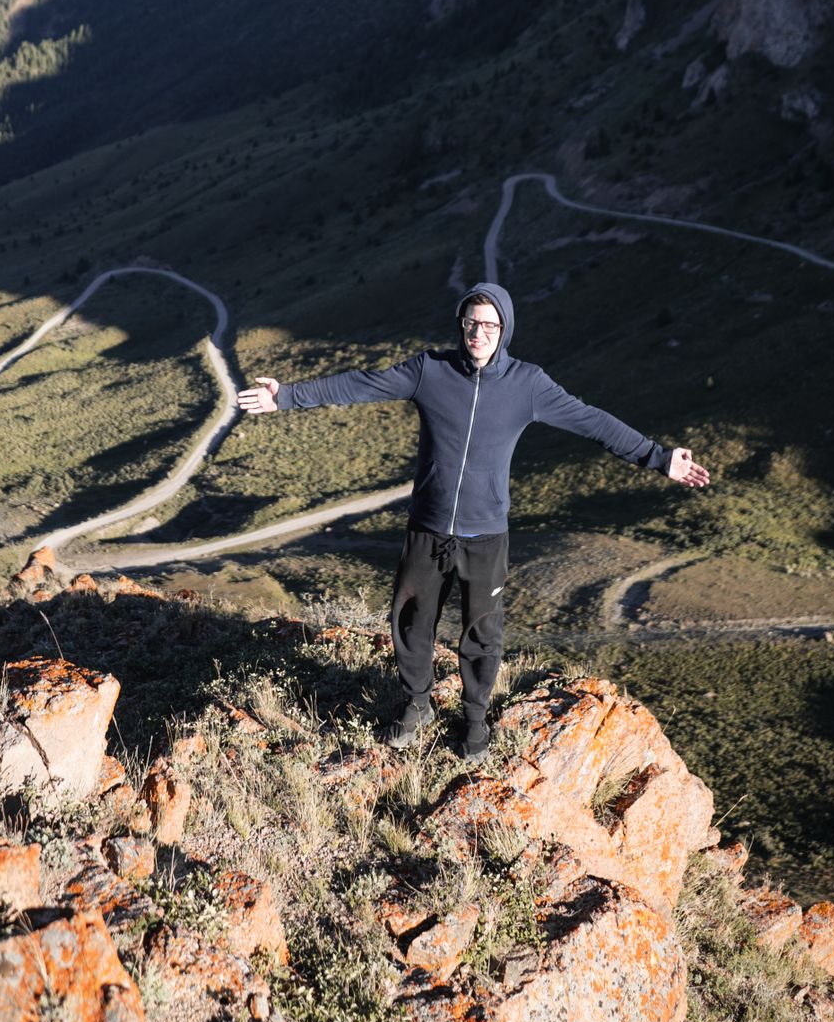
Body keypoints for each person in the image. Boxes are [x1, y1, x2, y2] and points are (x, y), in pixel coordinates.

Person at [236, 280, 709, 755]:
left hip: (485, 535)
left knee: (482, 631)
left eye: (489, 325)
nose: (478, 333)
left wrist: (659, 458)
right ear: (461, 325)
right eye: (470, 323)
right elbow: (362, 384)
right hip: (428, 527)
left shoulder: (528, 384)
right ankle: (416, 704)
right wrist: (287, 396)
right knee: (411, 623)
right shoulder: (430, 371)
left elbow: (593, 422)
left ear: (504, 329)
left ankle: (476, 719)